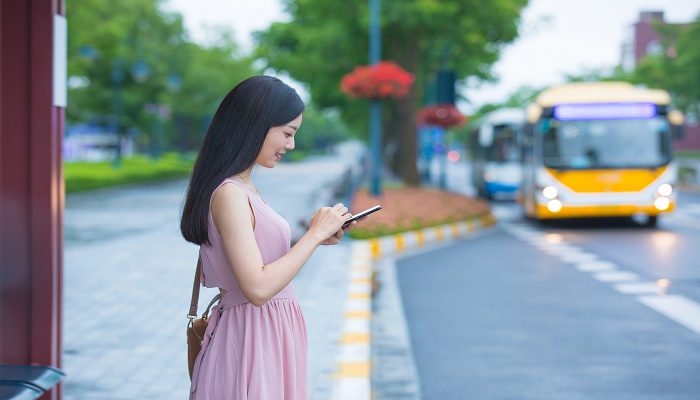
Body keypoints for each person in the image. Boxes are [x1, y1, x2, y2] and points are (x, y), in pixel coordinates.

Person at [180, 76, 356, 399]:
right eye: (287, 133)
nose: (290, 145)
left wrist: (315, 239)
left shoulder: (243, 188)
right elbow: (257, 288)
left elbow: (257, 259)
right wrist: (313, 235)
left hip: (264, 336)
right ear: (255, 124)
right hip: (249, 340)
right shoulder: (231, 193)